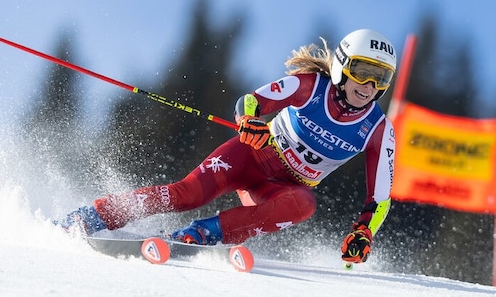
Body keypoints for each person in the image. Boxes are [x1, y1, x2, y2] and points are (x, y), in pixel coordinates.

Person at [56, 28, 397, 264]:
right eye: (362, 71)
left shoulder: (378, 130)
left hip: (283, 188)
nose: (369, 85)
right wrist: (249, 122)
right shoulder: (310, 87)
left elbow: (379, 198)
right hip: (250, 157)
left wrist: (363, 232)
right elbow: (251, 101)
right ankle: (92, 216)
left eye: (380, 78)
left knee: (304, 204)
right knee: (186, 194)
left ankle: (197, 235)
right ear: (342, 66)